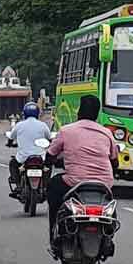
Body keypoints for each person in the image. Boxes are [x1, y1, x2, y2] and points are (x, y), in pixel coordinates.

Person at [46, 95, 118, 244]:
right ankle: (108, 237)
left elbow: (50, 156)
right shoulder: (106, 133)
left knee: (53, 187)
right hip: (103, 184)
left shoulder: (66, 131)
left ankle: (54, 230)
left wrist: (54, 161)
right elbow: (115, 162)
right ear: (97, 114)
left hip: (74, 182)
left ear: (79, 112)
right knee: (110, 207)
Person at [8, 102, 52, 198]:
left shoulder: (19, 125)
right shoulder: (42, 125)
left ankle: (19, 185)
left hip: (23, 158)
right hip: (40, 158)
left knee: (13, 164)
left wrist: (9, 143)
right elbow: (49, 138)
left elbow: (11, 137)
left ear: (24, 113)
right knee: (49, 165)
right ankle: (45, 186)